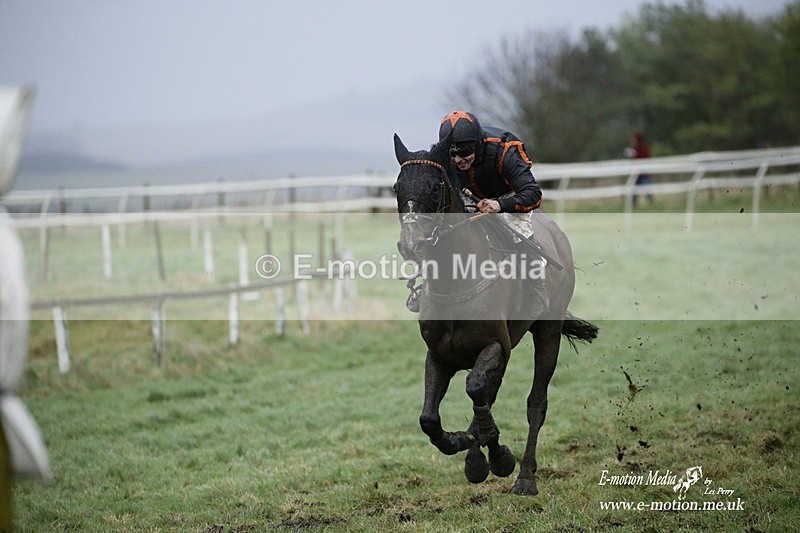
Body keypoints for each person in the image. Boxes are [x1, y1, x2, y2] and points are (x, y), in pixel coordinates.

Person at [438, 111, 542, 214]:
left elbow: (533, 194)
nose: (457, 160)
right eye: (451, 153)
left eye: (464, 152)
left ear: (477, 144)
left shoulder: (505, 150)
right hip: (467, 201)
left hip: (507, 199)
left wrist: (500, 205)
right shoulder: (439, 156)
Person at [628, 131, 653, 206]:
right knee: (634, 189)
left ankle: (651, 203)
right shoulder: (635, 148)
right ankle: (633, 204)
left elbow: (644, 158)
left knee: (647, 189)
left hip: (643, 173)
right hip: (637, 172)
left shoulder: (644, 148)